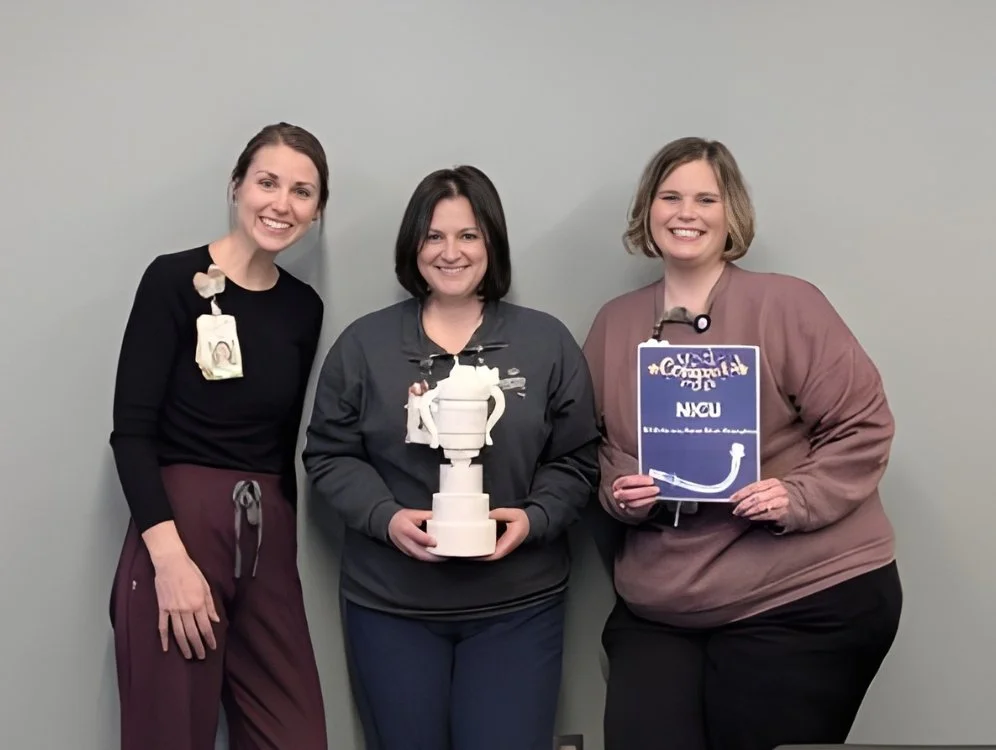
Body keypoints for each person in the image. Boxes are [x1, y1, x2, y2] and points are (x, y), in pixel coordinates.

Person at [582, 136, 903, 750]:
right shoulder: (614, 323)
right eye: (670, 196)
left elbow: (863, 425)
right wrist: (621, 491)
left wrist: (796, 495)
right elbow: (597, 448)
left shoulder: (787, 305)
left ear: (731, 214)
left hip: (799, 593)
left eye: (706, 198)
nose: (686, 212)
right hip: (664, 604)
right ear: (646, 212)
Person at [303, 165, 600, 750]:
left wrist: (536, 518)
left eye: (468, 235)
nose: (451, 252)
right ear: (413, 245)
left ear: (492, 242)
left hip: (518, 607)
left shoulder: (545, 343)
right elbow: (330, 455)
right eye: (434, 236)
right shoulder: (365, 346)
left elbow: (578, 458)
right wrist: (385, 517)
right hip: (391, 607)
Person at [107, 122, 330, 750]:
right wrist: (170, 563)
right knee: (170, 736)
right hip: (176, 531)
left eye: (302, 192)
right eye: (267, 182)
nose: (281, 204)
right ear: (237, 187)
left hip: (265, 537)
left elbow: (281, 443)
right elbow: (131, 434)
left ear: (316, 212)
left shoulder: (302, 309)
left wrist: (277, 556)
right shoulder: (172, 280)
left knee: (296, 736)